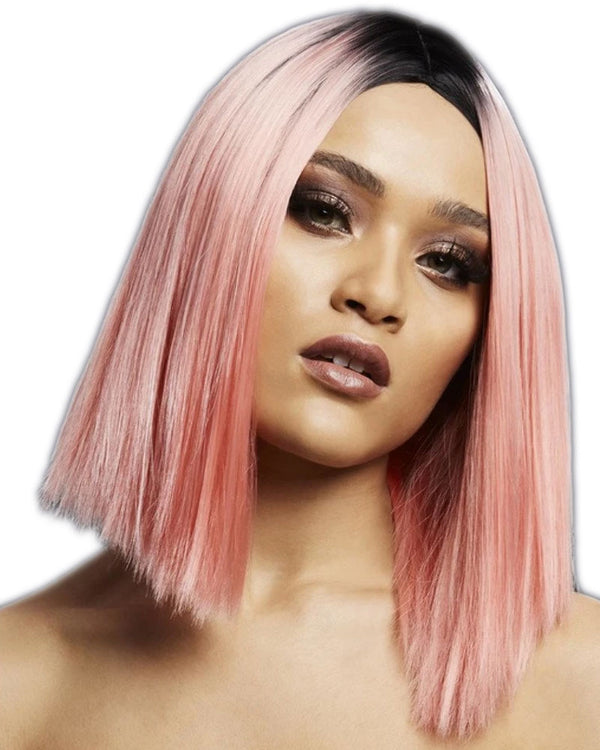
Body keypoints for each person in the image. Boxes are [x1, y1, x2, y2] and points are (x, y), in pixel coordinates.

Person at [1, 8, 599, 748]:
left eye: (447, 262)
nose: (377, 294)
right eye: (323, 211)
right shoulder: (20, 682)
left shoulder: (582, 681)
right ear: (210, 225)